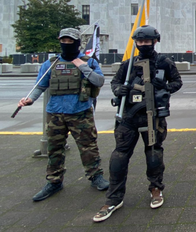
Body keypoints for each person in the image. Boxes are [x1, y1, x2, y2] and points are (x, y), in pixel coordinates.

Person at [93, 25, 182, 222]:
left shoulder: (164, 62)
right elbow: (115, 82)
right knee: (119, 156)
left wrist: (164, 87)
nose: (143, 45)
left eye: (147, 41)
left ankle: (155, 188)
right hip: (128, 117)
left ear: (154, 41)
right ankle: (114, 199)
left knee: (154, 153)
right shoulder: (128, 64)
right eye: (139, 42)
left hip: (153, 116)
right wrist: (119, 91)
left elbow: (177, 82)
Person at [17, 28, 108, 201]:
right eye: (63, 41)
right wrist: (30, 99)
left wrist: (83, 67)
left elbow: (99, 81)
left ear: (77, 42)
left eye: (70, 41)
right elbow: (40, 85)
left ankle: (95, 176)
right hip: (55, 113)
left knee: (88, 146)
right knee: (54, 149)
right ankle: (54, 181)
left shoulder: (88, 61)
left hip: (80, 112)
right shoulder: (50, 63)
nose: (66, 44)